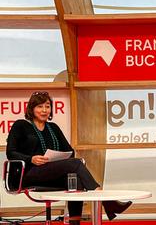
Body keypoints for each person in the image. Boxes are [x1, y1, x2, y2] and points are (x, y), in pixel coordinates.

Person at [6, 91, 132, 224]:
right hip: (29, 173)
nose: (44, 110)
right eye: (40, 106)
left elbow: (69, 151)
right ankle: (107, 201)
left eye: (47, 106)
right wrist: (30, 159)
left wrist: (59, 157)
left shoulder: (53, 128)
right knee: (76, 164)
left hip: (51, 174)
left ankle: (75, 222)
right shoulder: (21, 125)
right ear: (31, 109)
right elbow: (11, 152)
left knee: (76, 178)